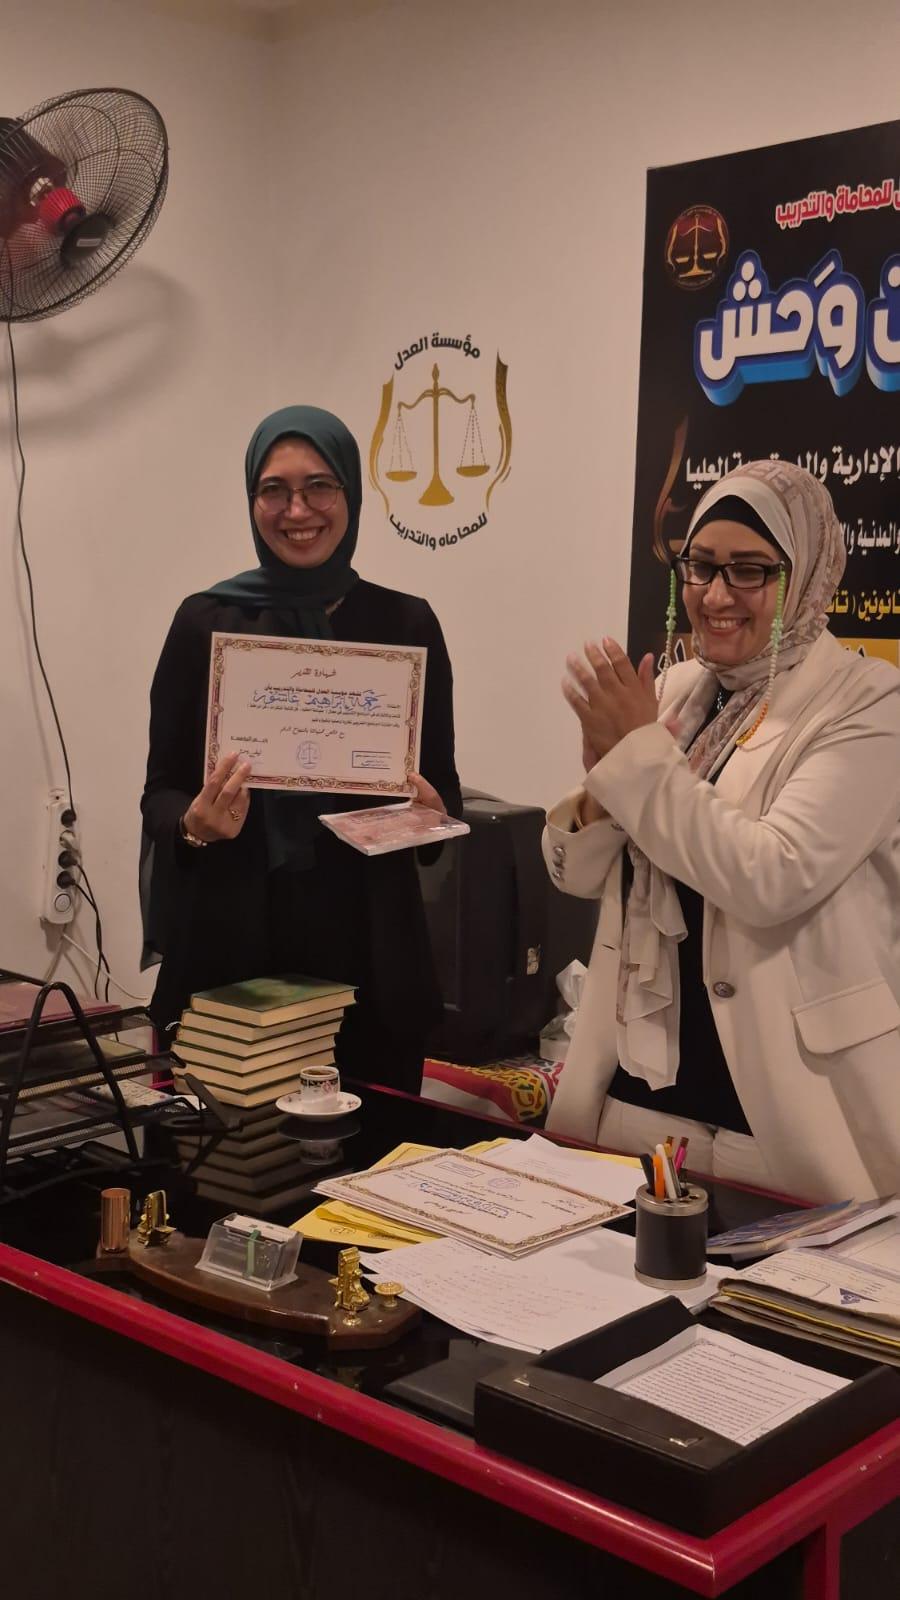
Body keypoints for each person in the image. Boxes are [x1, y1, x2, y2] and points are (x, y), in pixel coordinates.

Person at [544, 459, 900, 1201]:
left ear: (806, 578)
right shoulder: (677, 690)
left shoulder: (867, 705)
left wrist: (634, 759)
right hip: (635, 1101)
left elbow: (771, 876)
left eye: (750, 571)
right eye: (700, 566)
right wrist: (601, 789)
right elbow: (573, 871)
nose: (714, 595)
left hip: (782, 1115)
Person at [140, 405, 461, 1092]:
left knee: (375, 1152)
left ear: (350, 491)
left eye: (319, 486)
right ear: (251, 498)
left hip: (370, 963)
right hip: (231, 960)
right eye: (274, 489)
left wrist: (430, 817)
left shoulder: (405, 622)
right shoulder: (205, 622)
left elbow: (443, 797)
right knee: (226, 1152)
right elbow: (160, 791)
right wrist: (193, 825)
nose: (297, 510)